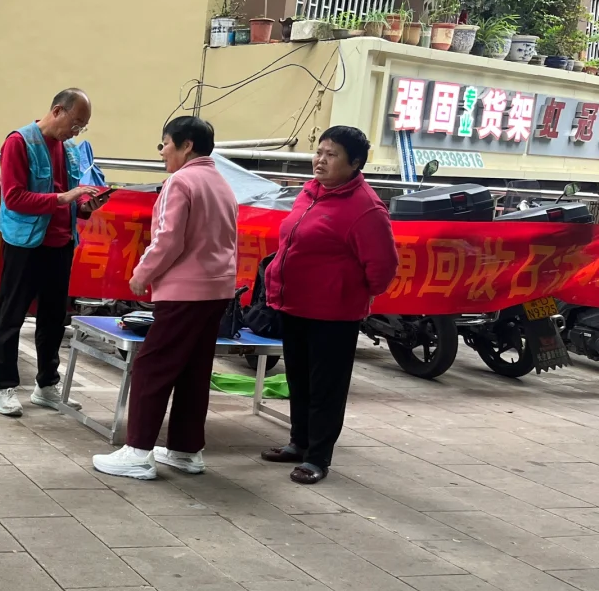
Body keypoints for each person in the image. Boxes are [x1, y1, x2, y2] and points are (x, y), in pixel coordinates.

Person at [92, 116, 237, 480]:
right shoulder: (221, 183)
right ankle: (186, 451)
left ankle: (137, 451)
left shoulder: (181, 181)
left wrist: (142, 273)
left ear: (186, 145)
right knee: (193, 371)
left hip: (185, 291)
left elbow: (169, 239)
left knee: (152, 367)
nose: (161, 152)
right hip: (217, 290)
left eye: (165, 144)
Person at [260, 125, 398, 484]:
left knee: (326, 388)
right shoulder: (310, 193)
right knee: (299, 381)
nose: (320, 160)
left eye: (331, 154)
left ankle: (318, 458)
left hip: (334, 314)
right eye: (319, 152)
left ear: (354, 163)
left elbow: (382, 269)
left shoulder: (366, 208)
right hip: (295, 306)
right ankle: (299, 443)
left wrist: (344, 291)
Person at [0, 89, 101, 417]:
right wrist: (64, 199)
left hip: (61, 243)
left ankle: (46, 385)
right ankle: (6, 388)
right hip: (25, 244)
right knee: (12, 316)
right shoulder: (19, 142)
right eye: (76, 123)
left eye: (83, 127)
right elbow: (14, 198)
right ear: (57, 110)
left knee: (54, 319)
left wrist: (86, 205)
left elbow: (72, 201)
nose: (77, 132)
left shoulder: (69, 149)